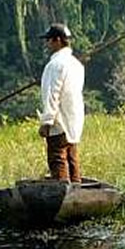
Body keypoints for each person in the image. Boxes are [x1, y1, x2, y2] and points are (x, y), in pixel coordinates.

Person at [38, 23, 85, 183]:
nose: (47, 43)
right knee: (72, 159)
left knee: (57, 159)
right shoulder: (76, 64)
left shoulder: (55, 65)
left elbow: (53, 95)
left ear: (57, 40)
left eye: (49, 40)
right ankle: (76, 193)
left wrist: (46, 122)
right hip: (74, 121)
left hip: (59, 122)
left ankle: (62, 194)